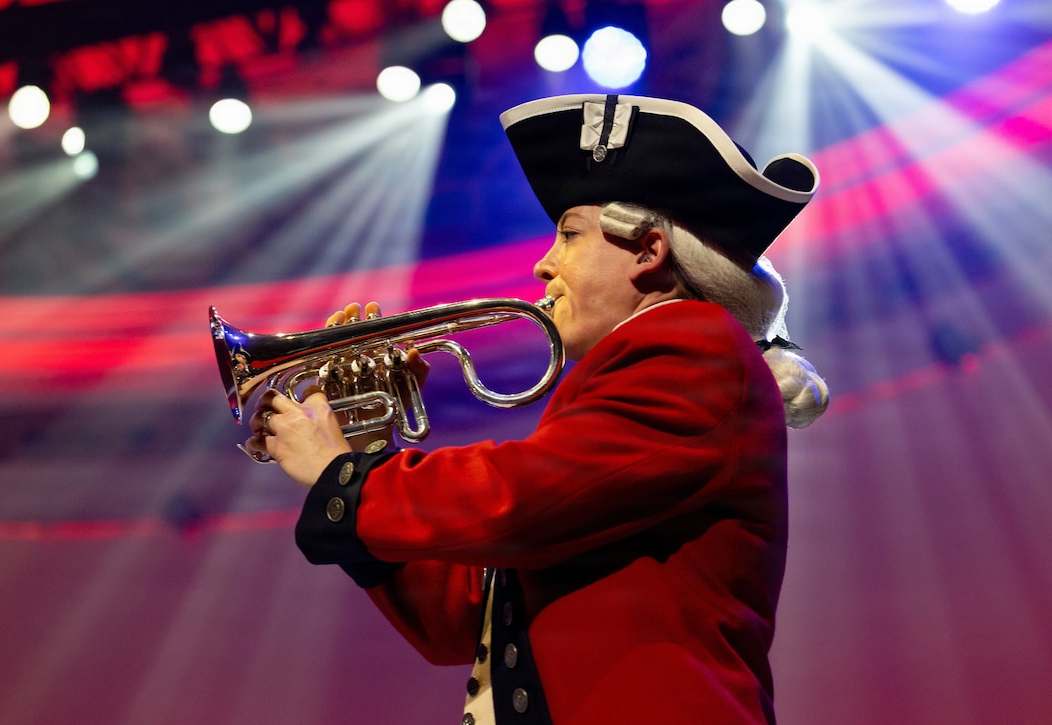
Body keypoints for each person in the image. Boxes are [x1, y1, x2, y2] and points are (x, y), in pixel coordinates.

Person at [244, 94, 829, 725]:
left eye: (569, 234)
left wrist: (348, 481)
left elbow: (520, 497)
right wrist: (364, 448)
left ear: (648, 250)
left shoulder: (694, 343)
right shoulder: (623, 386)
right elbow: (458, 618)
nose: (542, 264)